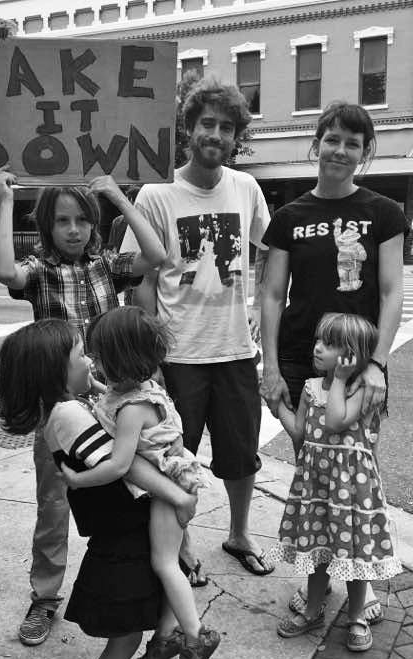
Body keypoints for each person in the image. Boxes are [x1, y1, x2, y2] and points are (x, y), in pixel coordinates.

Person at [0, 320, 220, 659]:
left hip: (128, 529)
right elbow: (126, 465)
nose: (90, 362)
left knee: (158, 600)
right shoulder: (67, 415)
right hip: (122, 536)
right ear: (54, 371)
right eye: (80, 354)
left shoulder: (70, 407)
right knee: (125, 638)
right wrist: (179, 497)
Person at [0, 169, 168, 646]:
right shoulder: (39, 272)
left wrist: (118, 198)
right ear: (47, 227)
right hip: (61, 411)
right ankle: (45, 595)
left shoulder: (108, 265)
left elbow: (157, 256)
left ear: (94, 223)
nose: (73, 230)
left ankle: (168, 564)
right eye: (62, 221)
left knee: (141, 486)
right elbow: (5, 271)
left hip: (114, 399)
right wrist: (6, 201)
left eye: (83, 220)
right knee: (54, 502)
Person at [260, 101, 406, 626]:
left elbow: (391, 293)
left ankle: (361, 593)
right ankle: (319, 590)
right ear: (314, 143)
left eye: (352, 142)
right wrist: (272, 366)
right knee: (315, 474)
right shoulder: (288, 218)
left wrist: (377, 365)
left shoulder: (384, 213)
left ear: (365, 151)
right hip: (303, 357)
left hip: (359, 360)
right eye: (332, 138)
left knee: (358, 476)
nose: (339, 150)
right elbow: (273, 296)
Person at [121, 76, 273, 579]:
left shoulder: (246, 188)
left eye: (227, 127)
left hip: (233, 351)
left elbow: (273, 249)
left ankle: (239, 533)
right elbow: (138, 276)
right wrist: (150, 353)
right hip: (178, 354)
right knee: (173, 456)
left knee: (241, 453)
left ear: (236, 137)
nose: (217, 134)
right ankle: (181, 543)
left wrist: (262, 304)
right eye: (208, 123)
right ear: (190, 129)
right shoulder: (156, 194)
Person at [60, 306, 220, 659]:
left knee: (164, 563)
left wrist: (78, 479)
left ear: (117, 361)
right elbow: (108, 399)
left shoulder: (133, 410)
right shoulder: (138, 389)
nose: (94, 364)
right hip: (173, 482)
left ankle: (196, 635)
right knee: (173, 559)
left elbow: (118, 464)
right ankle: (166, 638)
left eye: (99, 357)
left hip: (167, 491)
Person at [270, 313, 401, 650]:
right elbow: (300, 431)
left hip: (351, 491)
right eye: (318, 341)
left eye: (328, 345)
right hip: (316, 488)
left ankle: (356, 616)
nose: (317, 348)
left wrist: (340, 379)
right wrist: (276, 406)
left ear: (351, 355)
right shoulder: (312, 388)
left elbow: (335, 421)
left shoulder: (360, 392)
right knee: (318, 552)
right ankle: (313, 609)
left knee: (355, 556)